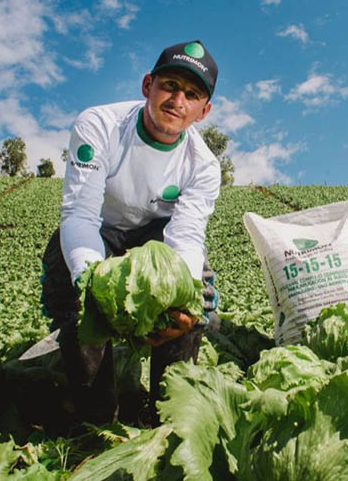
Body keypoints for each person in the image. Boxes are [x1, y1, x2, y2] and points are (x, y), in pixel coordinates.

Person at [40, 39, 222, 427]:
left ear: (203, 111)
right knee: (71, 279)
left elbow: (186, 238)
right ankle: (96, 417)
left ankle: (166, 416)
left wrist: (183, 297)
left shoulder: (203, 166)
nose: (177, 100)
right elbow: (80, 215)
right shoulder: (100, 125)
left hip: (154, 237)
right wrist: (92, 282)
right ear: (147, 86)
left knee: (195, 297)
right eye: (169, 85)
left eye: (192, 94)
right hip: (99, 229)